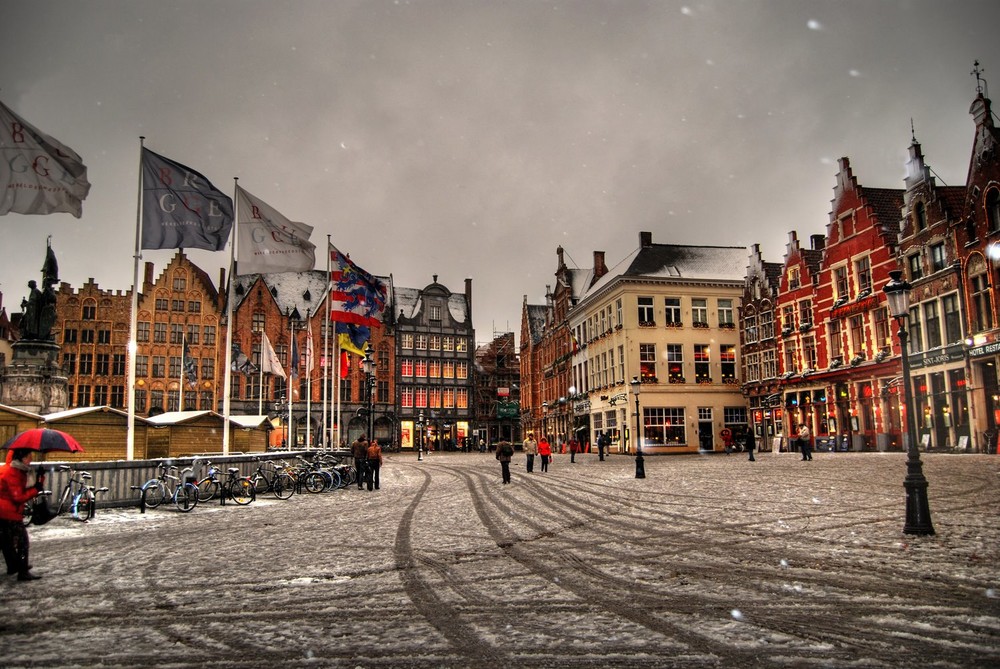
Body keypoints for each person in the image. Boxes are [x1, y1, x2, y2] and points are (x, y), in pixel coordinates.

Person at [0, 448, 44, 581]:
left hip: (5, 511)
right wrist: (36, 489)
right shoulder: (12, 472)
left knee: (6, 541)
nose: (31, 458)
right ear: (21, 458)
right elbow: (18, 497)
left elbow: (21, 489)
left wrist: (39, 480)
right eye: (28, 456)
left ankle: (14, 566)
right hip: (8, 512)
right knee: (22, 541)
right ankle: (23, 572)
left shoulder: (16, 470)